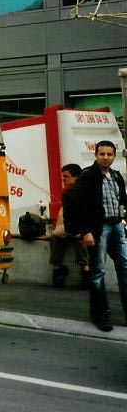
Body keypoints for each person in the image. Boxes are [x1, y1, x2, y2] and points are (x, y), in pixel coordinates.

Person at [73, 140, 127, 332]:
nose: (106, 157)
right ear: (95, 155)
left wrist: (122, 220)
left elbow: (122, 200)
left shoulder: (117, 176)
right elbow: (80, 205)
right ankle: (100, 315)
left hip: (116, 225)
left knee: (125, 267)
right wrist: (86, 231)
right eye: (102, 154)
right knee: (98, 272)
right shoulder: (87, 176)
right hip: (98, 228)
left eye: (109, 154)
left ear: (114, 156)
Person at [49, 163, 90, 288]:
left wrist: (81, 230)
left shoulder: (87, 191)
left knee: (80, 237)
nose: (63, 179)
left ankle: (86, 270)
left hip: (87, 225)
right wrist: (61, 228)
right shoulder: (67, 192)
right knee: (55, 235)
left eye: (66, 177)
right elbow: (64, 212)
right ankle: (58, 268)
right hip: (72, 225)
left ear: (75, 177)